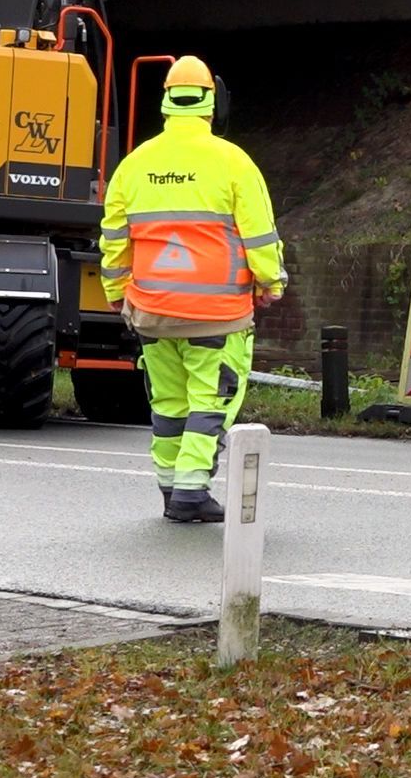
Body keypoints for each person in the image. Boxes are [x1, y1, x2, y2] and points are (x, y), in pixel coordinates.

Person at [98, 56, 286, 523]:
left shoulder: (135, 164)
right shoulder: (233, 162)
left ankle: (170, 488)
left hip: (152, 313)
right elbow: (258, 233)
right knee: (209, 404)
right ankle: (190, 491)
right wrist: (270, 282)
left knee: (168, 405)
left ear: (165, 101)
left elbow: (114, 237)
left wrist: (116, 290)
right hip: (216, 316)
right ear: (213, 104)